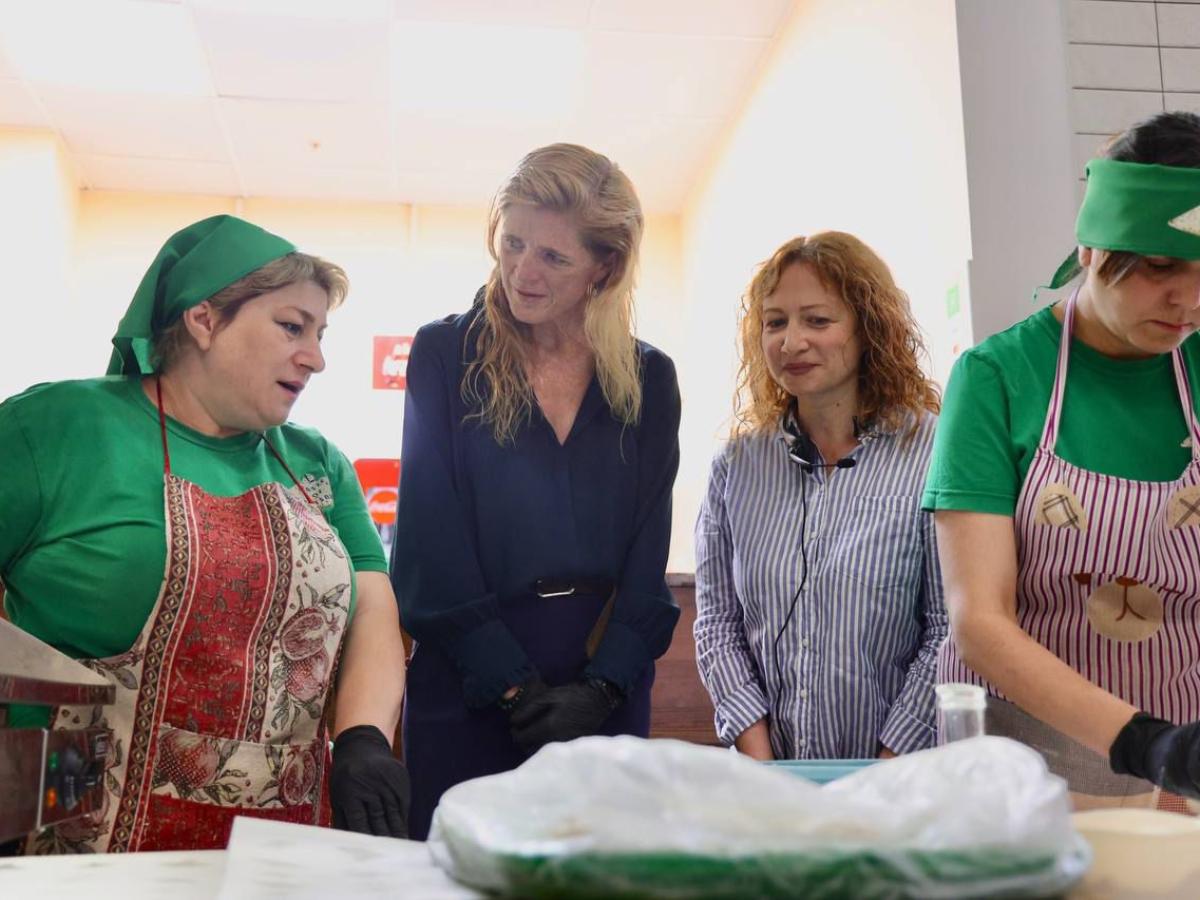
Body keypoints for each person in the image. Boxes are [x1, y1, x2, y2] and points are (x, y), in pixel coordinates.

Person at [0, 215, 410, 852]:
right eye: (291, 326)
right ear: (205, 320)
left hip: (276, 843)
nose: (317, 357)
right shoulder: (56, 428)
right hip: (75, 836)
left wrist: (362, 737)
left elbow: (371, 604)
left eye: (321, 333)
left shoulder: (315, 463)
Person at [392, 143, 681, 839]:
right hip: (470, 679)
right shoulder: (444, 354)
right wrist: (514, 685)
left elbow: (647, 558)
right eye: (513, 243)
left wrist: (603, 688)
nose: (522, 271)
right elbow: (431, 542)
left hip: (601, 683)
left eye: (553, 257)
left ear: (603, 268)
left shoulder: (649, 379)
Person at [925, 111, 1200, 809]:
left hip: (1184, 762)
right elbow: (979, 619)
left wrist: (1177, 754)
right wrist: (1146, 744)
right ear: (1090, 248)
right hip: (1028, 770)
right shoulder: (996, 376)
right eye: (1161, 267)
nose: (1188, 301)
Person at [694, 231, 947, 761]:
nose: (790, 342)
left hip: (904, 780)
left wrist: (886, 768)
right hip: (771, 781)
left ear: (868, 328)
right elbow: (717, 624)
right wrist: (762, 764)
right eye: (775, 322)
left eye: (817, 320)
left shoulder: (936, 453)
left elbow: (950, 632)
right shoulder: (736, 468)